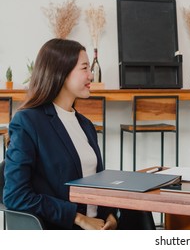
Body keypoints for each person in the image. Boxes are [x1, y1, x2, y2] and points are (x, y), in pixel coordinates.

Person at [3, 38, 118, 230]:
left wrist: (111, 216)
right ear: (61, 72)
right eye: (84, 68)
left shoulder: (86, 125)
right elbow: (15, 195)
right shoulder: (28, 122)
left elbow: (95, 181)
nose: (91, 75)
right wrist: (79, 218)